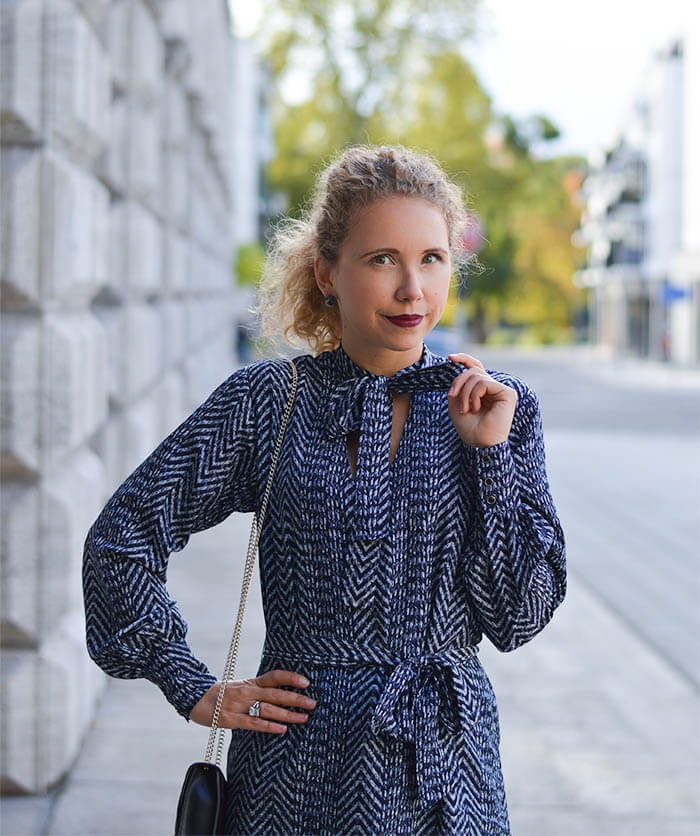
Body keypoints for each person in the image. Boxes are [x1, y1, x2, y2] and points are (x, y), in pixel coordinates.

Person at [83, 144, 566, 835]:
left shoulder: (499, 407)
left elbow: (519, 618)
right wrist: (193, 686)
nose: (413, 290)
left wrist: (488, 458)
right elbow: (122, 535)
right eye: (381, 260)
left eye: (432, 259)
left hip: (446, 781)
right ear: (327, 273)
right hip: (295, 777)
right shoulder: (269, 400)